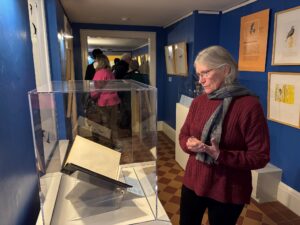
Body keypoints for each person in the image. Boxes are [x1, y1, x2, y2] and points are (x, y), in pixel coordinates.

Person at [179, 45, 270, 225]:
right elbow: (183, 135)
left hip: (228, 189)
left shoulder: (249, 106)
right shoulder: (199, 102)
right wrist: (188, 144)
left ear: (225, 70)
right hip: (193, 180)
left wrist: (221, 155)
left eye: (205, 73)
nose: (201, 80)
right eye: (198, 75)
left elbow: (260, 157)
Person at [90, 54, 121, 150]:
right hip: (114, 101)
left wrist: (93, 97)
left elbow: (95, 91)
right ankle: (115, 144)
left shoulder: (99, 73)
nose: (94, 62)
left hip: (104, 103)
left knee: (105, 125)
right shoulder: (110, 72)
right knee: (113, 124)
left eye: (96, 60)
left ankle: (106, 147)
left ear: (100, 62)